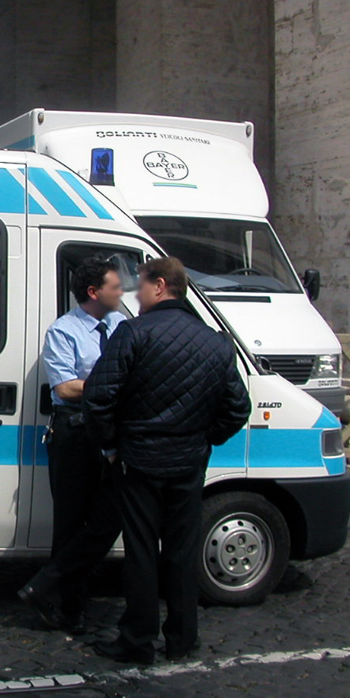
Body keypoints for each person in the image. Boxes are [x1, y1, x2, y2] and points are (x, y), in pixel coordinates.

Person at [83, 256, 251, 664]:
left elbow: (98, 397)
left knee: (141, 553)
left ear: (160, 287)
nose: (134, 295)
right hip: (188, 461)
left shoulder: (133, 333)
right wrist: (203, 440)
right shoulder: (215, 341)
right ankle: (182, 639)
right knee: (180, 553)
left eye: (139, 286)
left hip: (138, 460)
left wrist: (111, 445)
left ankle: (138, 640)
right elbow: (237, 408)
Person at [18, 254, 127, 633]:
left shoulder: (121, 324)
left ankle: (46, 585)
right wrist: (114, 383)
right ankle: (69, 608)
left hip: (110, 431)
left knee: (106, 519)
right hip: (75, 433)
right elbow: (64, 387)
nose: (122, 291)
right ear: (95, 292)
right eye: (115, 286)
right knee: (69, 522)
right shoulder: (63, 331)